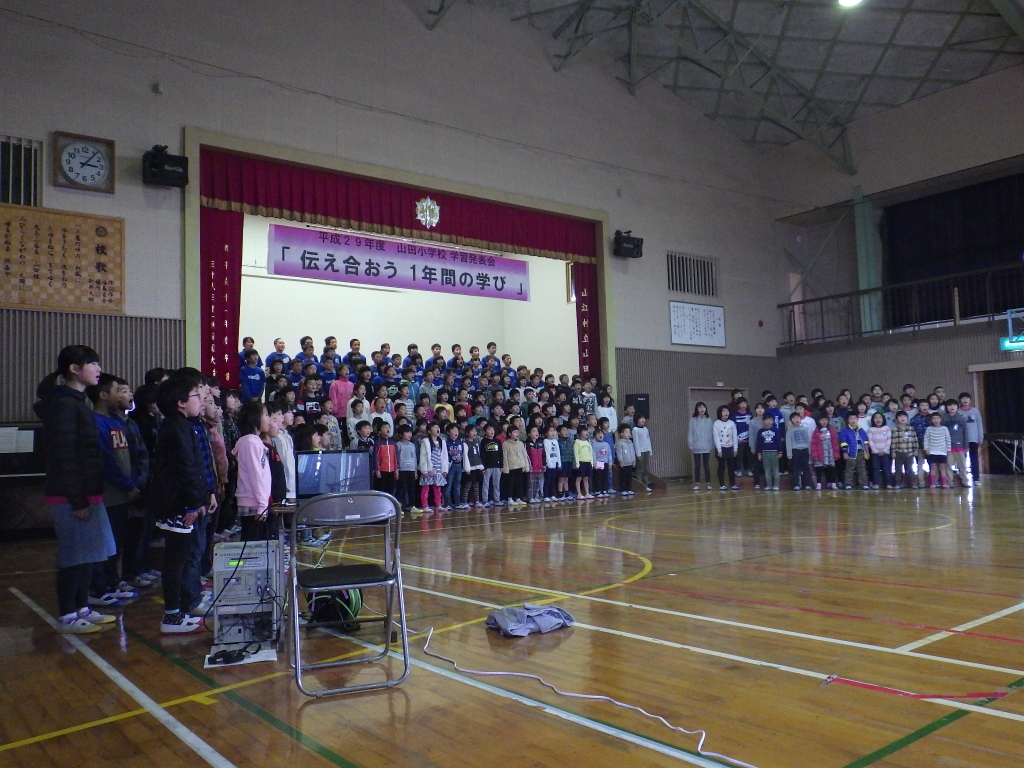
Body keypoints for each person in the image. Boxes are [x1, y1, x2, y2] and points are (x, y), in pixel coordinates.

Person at [34, 345, 118, 633]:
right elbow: (66, 456)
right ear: (74, 369)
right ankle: (68, 614)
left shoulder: (77, 402)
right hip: (71, 495)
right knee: (74, 556)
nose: (98, 369)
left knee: (89, 555)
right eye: (92, 363)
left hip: (85, 492)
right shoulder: (65, 405)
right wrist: (78, 500)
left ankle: (82, 607)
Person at [151, 374, 216, 633]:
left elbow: (195, 468)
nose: (201, 401)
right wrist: (192, 504)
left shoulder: (183, 425)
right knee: (176, 560)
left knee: (179, 558)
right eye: (196, 396)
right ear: (180, 402)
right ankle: (172, 616)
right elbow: (186, 469)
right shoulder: (177, 428)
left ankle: (175, 612)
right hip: (176, 504)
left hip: (182, 501)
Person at [233, 401, 272, 543]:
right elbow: (256, 476)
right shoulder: (251, 443)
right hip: (253, 502)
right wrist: (262, 504)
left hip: (257, 501)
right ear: (255, 418)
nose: (269, 419)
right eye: (266, 415)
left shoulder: (254, 441)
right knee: (252, 546)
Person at [418, 422, 448, 513]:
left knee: (437, 488)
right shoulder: (426, 442)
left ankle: (438, 505)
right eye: (434, 427)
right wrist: (424, 470)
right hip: (429, 468)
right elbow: (423, 456)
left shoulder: (442, 441)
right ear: (429, 431)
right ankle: (425, 506)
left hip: (439, 467)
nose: (437, 429)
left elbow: (445, 456)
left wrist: (445, 469)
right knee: (426, 488)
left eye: (438, 427)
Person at [958, 392, 984, 485]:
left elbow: (979, 424)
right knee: (962, 460)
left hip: (973, 438)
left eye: (967, 398)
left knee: (974, 458)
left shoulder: (975, 411)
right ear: (960, 400)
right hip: (961, 439)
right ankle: (963, 478)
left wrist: (980, 437)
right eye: (963, 398)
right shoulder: (958, 411)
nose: (965, 400)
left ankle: (976, 478)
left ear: (970, 400)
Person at [839, 413, 870, 490]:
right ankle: (848, 484)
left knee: (862, 469)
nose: (853, 420)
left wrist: (867, 451)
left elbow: (865, 442)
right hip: (851, 453)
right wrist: (845, 453)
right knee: (849, 469)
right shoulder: (845, 431)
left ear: (857, 419)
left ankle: (863, 484)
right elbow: (843, 443)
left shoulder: (861, 430)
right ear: (848, 420)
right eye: (851, 419)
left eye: (854, 418)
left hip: (861, 452)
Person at [942, 399, 969, 487]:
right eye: (950, 405)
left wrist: (966, 446)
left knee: (962, 465)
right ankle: (950, 482)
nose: (952, 407)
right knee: (948, 465)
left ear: (957, 407)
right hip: (947, 447)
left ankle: (965, 481)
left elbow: (965, 432)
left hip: (959, 446)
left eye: (954, 405)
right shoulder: (943, 418)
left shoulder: (961, 418)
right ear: (946, 407)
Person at [890, 411, 919, 489]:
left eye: (904, 416)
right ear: (897, 419)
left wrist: (915, 449)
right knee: (898, 469)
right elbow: (893, 442)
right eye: (900, 417)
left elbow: (915, 440)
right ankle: (898, 483)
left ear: (907, 418)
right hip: (898, 452)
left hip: (909, 452)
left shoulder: (911, 429)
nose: (902, 418)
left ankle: (913, 483)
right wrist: (893, 452)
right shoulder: (895, 430)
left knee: (910, 469)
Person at [809, 414, 839, 490]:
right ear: (819, 421)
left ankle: (833, 484)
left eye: (825, 420)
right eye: (822, 420)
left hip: (830, 453)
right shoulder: (816, 431)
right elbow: (813, 444)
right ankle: (818, 484)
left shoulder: (831, 430)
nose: (824, 421)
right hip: (820, 453)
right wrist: (815, 454)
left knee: (831, 469)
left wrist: (836, 453)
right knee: (819, 469)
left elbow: (835, 443)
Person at [688, 402, 713, 491]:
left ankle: (708, 483)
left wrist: (711, 444)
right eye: (700, 407)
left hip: (706, 445)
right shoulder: (693, 420)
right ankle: (697, 483)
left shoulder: (708, 420)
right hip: (696, 445)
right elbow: (690, 432)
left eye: (703, 407)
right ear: (697, 409)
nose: (702, 409)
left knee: (706, 465)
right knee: (697, 465)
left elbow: (711, 433)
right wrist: (691, 444)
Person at [395, 425, 420, 514]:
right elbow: (396, 458)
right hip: (402, 469)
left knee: (411, 488)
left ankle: (412, 506)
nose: (409, 434)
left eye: (410, 432)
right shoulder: (398, 445)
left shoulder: (412, 445)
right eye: (406, 432)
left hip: (411, 469)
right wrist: (397, 469)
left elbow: (414, 458)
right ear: (401, 434)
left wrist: (415, 471)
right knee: (400, 489)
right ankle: (399, 506)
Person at [503, 425, 530, 505]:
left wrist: (526, 466)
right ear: (509, 434)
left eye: (517, 432)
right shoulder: (505, 444)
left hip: (519, 466)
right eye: (515, 432)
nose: (517, 434)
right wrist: (506, 468)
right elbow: (504, 457)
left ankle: (519, 498)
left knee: (519, 483)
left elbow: (524, 455)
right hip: (511, 467)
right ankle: (510, 498)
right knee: (511, 483)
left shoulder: (520, 443)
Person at [924, 412, 952, 488]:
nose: (936, 420)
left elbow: (948, 439)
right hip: (932, 451)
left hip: (942, 452)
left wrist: (948, 449)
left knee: (942, 468)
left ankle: (944, 483)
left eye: (937, 418)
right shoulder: (929, 429)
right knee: (933, 468)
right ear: (931, 420)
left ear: (940, 419)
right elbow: (926, 439)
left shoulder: (944, 428)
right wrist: (926, 449)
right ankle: (933, 483)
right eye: (933, 418)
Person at [713, 405, 738, 491]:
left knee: (731, 467)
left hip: (730, 447)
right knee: (721, 467)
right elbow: (716, 437)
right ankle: (722, 484)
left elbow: (734, 436)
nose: (726, 413)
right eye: (724, 411)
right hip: (721, 447)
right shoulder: (716, 423)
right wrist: (719, 449)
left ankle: (733, 484)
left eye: (727, 411)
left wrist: (735, 448)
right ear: (720, 413)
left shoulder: (731, 423)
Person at [785, 412, 812, 491]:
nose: (796, 419)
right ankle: (796, 484)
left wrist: (809, 450)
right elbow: (788, 442)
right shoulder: (790, 430)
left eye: (798, 418)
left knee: (805, 468)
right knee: (796, 468)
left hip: (804, 450)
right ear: (791, 421)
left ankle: (806, 484)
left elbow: (808, 440)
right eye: (794, 418)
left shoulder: (804, 429)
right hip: (795, 451)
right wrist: (789, 454)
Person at [755, 412, 781, 491]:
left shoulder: (776, 430)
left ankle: (776, 485)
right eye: (767, 420)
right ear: (763, 421)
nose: (769, 422)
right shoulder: (760, 431)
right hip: (764, 452)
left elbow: (778, 442)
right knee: (767, 470)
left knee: (775, 469)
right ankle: (769, 485)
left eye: (770, 420)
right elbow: (759, 443)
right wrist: (759, 453)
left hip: (774, 452)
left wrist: (780, 451)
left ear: (773, 421)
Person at [443, 423, 466, 510]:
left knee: (457, 485)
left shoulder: (460, 442)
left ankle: (457, 503)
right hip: (450, 466)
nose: (456, 432)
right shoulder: (446, 443)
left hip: (459, 465)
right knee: (448, 486)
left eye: (457, 430)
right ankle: (447, 504)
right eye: (453, 430)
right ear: (448, 432)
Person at [866, 412, 892, 489]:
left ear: (883, 419)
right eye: (876, 418)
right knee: (875, 469)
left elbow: (889, 440)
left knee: (886, 469)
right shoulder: (871, 430)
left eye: (880, 417)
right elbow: (870, 441)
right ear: (873, 420)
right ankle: (876, 483)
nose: (878, 419)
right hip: (875, 453)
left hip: (885, 453)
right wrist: (876, 451)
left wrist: (885, 450)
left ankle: (888, 483)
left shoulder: (887, 428)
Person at [462, 423, 484, 508]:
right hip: (470, 467)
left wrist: (481, 466)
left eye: (475, 431)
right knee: (468, 485)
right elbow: (465, 456)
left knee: (476, 485)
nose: (474, 433)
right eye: (472, 431)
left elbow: (478, 455)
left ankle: (477, 501)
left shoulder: (476, 443)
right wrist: (467, 468)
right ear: (467, 433)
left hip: (477, 466)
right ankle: (464, 502)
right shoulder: (465, 443)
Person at [524, 425, 546, 504]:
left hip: (539, 466)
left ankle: (536, 496)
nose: (536, 433)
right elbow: (526, 455)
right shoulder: (527, 443)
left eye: (537, 431)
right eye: (534, 431)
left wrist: (544, 464)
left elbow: (543, 455)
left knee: (537, 482)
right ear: (529, 434)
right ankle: (530, 497)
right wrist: (528, 465)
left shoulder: (540, 443)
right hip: (531, 467)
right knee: (530, 483)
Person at [632, 415, 653, 493]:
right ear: (637, 420)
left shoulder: (645, 429)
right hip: (640, 451)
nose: (643, 420)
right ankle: (640, 485)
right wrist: (638, 454)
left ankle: (646, 484)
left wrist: (650, 450)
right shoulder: (635, 429)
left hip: (646, 450)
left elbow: (648, 440)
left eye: (644, 418)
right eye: (641, 418)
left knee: (645, 469)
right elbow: (636, 442)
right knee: (639, 469)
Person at [572, 425, 594, 500]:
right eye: (584, 431)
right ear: (580, 433)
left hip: (588, 462)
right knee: (579, 478)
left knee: (586, 478)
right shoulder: (577, 442)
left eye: (586, 431)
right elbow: (576, 453)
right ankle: (579, 493)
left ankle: (587, 493)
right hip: (581, 462)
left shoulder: (588, 442)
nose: (586, 433)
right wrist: (577, 463)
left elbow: (591, 453)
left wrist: (591, 462)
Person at [615, 424, 637, 496]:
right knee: (623, 477)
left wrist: (634, 460)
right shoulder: (620, 443)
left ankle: (629, 489)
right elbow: (619, 453)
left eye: (629, 432)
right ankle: (623, 490)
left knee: (629, 477)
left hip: (630, 463)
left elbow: (633, 452)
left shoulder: (630, 442)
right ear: (621, 434)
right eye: (626, 432)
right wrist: (621, 461)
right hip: (624, 464)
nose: (628, 434)